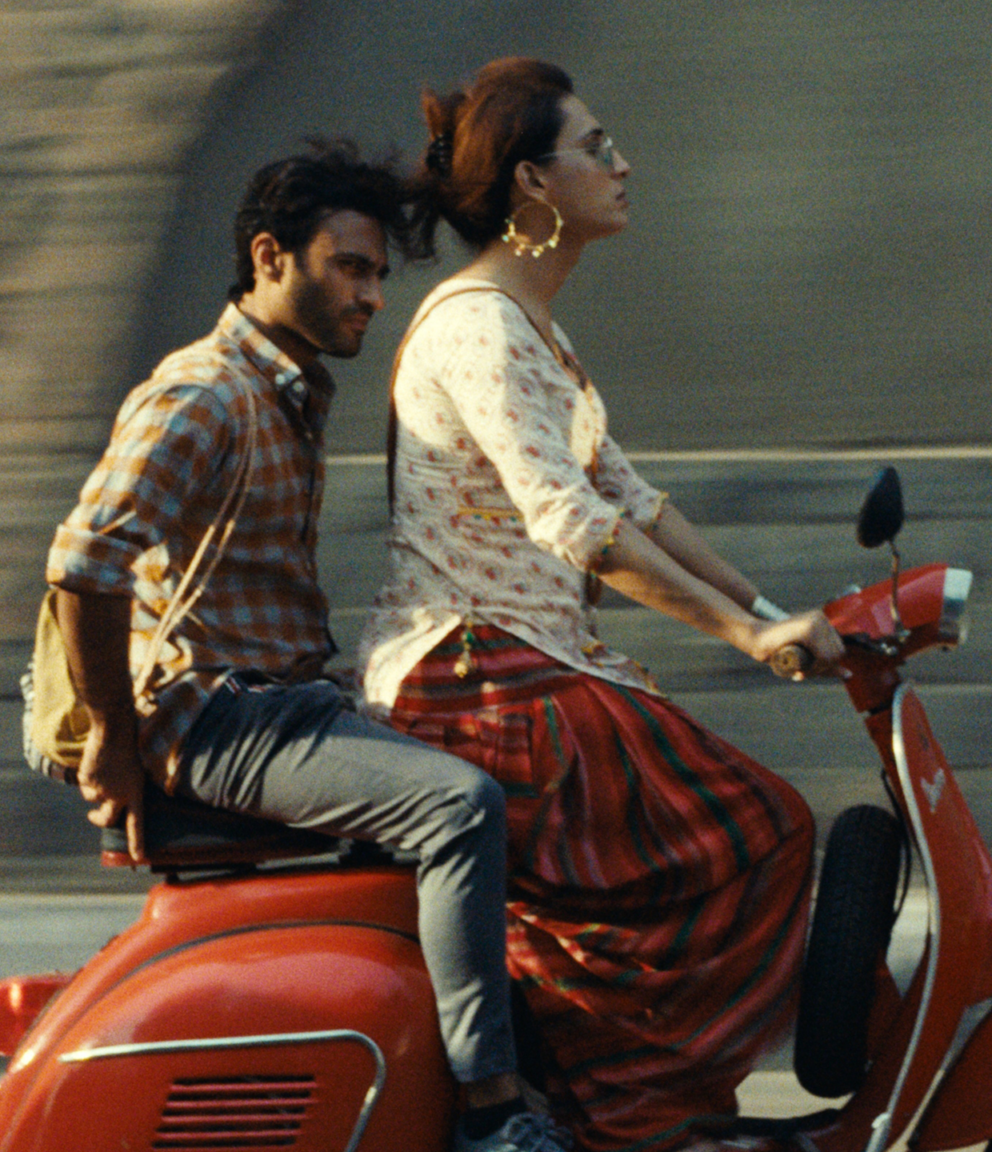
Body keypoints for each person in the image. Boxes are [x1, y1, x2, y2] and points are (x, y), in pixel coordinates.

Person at [356, 61, 846, 1152]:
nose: (622, 165)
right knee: (755, 830)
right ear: (533, 182)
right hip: (469, 673)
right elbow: (570, 522)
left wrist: (775, 612)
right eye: (596, 147)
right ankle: (631, 1120)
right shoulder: (478, 325)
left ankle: (636, 1105)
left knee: (743, 835)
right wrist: (744, 635)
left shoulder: (534, 333)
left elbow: (633, 501)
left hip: (525, 664)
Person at [42, 141, 566, 1152]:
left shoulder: (286, 389)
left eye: (377, 273)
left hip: (287, 701)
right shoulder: (205, 395)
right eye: (349, 268)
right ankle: (494, 1115)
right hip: (222, 718)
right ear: (270, 256)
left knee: (525, 762)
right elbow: (84, 563)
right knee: (458, 809)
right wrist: (113, 734)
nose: (371, 296)